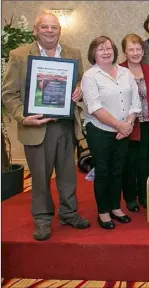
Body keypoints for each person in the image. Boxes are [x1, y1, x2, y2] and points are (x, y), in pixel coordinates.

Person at [1, 12, 89, 240]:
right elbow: (8, 93)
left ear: (60, 30)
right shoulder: (19, 55)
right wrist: (22, 117)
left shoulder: (73, 53)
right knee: (40, 176)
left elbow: (79, 81)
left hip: (65, 125)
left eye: (54, 27)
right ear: (35, 30)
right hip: (36, 126)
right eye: (45, 27)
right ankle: (42, 219)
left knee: (68, 175)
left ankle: (69, 213)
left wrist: (79, 89)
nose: (50, 31)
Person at [81, 36, 142, 229]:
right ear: (93, 53)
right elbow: (95, 108)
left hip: (123, 130)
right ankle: (103, 212)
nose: (106, 52)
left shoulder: (125, 73)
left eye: (108, 48)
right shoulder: (90, 76)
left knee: (118, 170)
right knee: (103, 171)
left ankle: (116, 207)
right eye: (101, 49)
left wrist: (129, 123)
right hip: (100, 131)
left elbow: (135, 102)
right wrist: (120, 125)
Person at [119, 34, 149, 212]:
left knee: (144, 162)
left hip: (147, 124)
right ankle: (129, 198)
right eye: (131, 49)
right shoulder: (118, 70)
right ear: (124, 52)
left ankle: (144, 196)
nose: (135, 53)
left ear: (143, 51)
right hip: (127, 126)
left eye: (138, 49)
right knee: (129, 163)